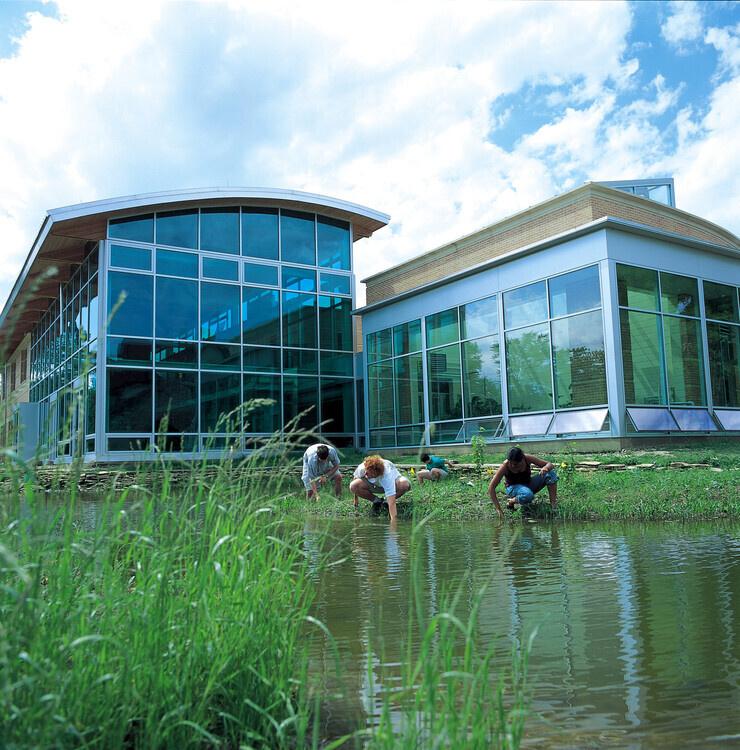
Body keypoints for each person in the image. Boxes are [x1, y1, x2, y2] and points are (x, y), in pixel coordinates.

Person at [488, 446, 558, 518]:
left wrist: (546, 468)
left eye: (515, 464)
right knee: (527, 494)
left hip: (528, 484)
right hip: (513, 488)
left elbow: (550, 464)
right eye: (511, 463)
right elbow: (491, 487)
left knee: (551, 474)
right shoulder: (505, 466)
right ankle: (512, 501)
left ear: (522, 460)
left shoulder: (527, 458)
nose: (512, 465)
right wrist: (498, 509)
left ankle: (553, 506)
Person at [350, 455, 411, 521]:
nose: (365, 474)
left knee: (404, 484)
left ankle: (385, 501)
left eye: (368, 473)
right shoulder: (362, 467)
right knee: (353, 485)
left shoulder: (387, 475)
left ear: (376, 472)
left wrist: (393, 521)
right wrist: (356, 499)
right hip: (373, 486)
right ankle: (376, 501)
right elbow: (355, 478)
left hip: (394, 484)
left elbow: (392, 502)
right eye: (365, 471)